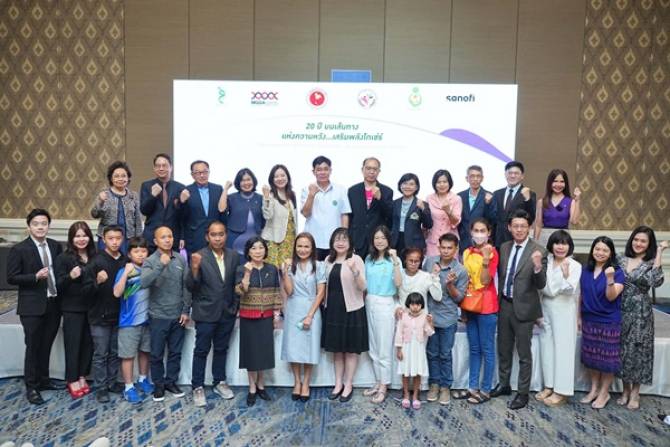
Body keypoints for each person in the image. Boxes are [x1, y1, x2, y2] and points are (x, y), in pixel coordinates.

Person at [490, 209, 547, 410]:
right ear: (509, 227)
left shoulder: (539, 250)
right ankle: (504, 384)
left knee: (524, 353)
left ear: (529, 228)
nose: (519, 229)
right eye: (516, 226)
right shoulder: (504, 247)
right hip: (504, 305)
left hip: (525, 309)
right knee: (503, 349)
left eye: (523, 226)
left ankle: (522, 393)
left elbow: (541, 284)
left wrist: (538, 266)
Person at [7, 209, 65, 405]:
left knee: (46, 344)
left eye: (44, 223)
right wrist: (35, 276)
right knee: (33, 347)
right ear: (29, 227)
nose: (40, 227)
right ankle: (31, 387)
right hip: (31, 306)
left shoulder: (55, 246)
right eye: (36, 224)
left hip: (53, 303)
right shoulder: (19, 249)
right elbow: (12, 277)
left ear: (48, 226)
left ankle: (44, 380)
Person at [187, 221, 240, 407]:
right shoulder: (199, 256)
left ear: (226, 235)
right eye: (214, 235)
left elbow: (234, 284)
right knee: (201, 350)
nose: (218, 238)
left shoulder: (234, 255)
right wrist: (194, 268)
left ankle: (219, 382)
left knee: (221, 349)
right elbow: (191, 286)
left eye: (221, 234)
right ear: (207, 236)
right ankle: (197, 386)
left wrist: (234, 307)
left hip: (227, 312)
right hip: (205, 312)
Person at [616, 227, 667, 410]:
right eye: (636, 239)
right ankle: (625, 390)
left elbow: (656, 281)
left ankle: (635, 392)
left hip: (641, 312)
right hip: (620, 309)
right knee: (622, 349)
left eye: (643, 241)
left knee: (639, 351)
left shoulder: (651, 262)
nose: (638, 243)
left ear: (649, 244)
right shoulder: (620, 258)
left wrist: (659, 252)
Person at [141, 226, 191, 402]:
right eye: (163, 237)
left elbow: (186, 286)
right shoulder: (150, 260)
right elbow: (144, 282)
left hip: (178, 315)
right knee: (156, 354)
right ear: (155, 241)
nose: (168, 240)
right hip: (158, 316)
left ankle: (171, 382)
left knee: (175, 353)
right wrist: (160, 265)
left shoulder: (180, 258)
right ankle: (159, 385)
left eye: (170, 236)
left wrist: (185, 310)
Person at [536, 230, 581, 407]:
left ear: (569, 246)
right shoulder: (546, 261)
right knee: (547, 347)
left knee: (563, 350)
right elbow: (540, 285)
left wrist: (565, 274)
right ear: (551, 245)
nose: (560, 247)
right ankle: (549, 385)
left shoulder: (574, 265)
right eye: (557, 243)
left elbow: (569, 290)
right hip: (546, 307)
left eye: (564, 243)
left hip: (564, 309)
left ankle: (561, 391)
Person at [321, 228, 367, 402]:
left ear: (350, 243)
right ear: (332, 243)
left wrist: (355, 271)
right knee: (337, 350)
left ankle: (348, 384)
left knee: (350, 350)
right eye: (337, 239)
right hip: (333, 309)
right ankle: (338, 384)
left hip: (352, 309)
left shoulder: (356, 259)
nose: (340, 243)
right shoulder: (328, 260)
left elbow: (363, 287)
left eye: (344, 239)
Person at [235, 236, 282, 407]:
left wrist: (276, 315)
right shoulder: (241, 269)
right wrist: (247, 274)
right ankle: (252, 388)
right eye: (254, 248)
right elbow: (240, 291)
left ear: (265, 250)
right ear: (248, 251)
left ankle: (261, 385)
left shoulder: (272, 268)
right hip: (248, 317)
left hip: (266, 317)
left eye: (261, 247)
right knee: (251, 354)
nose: (258, 251)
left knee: (263, 353)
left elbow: (276, 291)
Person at [579, 236, 625, 409]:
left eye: (605, 250)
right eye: (597, 249)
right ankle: (594, 389)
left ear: (611, 253)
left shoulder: (617, 272)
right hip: (589, 318)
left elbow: (611, 296)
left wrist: (610, 278)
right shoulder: (585, 270)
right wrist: (578, 317)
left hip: (608, 320)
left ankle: (604, 393)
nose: (600, 253)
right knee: (591, 357)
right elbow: (580, 295)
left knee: (607, 359)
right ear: (592, 250)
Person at [280, 232, 326, 402]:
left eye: (306, 246)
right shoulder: (290, 265)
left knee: (309, 348)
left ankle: (306, 383)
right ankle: (297, 382)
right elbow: (289, 291)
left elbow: (321, 293)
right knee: (293, 348)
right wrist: (285, 272)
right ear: (295, 248)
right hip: (293, 308)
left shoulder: (319, 266)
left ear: (312, 248)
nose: (303, 249)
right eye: (299, 246)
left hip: (312, 309)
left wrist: (310, 316)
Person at [423, 233, 468, 405]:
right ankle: (434, 384)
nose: (446, 251)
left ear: (456, 249)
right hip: (430, 317)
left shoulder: (460, 270)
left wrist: (449, 285)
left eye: (450, 248)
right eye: (443, 247)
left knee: (445, 354)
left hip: (448, 318)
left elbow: (459, 298)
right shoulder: (429, 262)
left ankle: (445, 387)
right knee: (432, 352)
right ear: (439, 247)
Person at [86, 224, 128, 403]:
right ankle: (101, 386)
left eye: (118, 238)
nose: (115, 242)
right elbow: (85, 291)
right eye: (111, 239)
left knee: (114, 352)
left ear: (122, 239)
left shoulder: (125, 260)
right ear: (104, 240)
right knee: (101, 353)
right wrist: (97, 281)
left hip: (119, 314)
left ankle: (112, 382)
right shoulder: (95, 261)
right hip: (99, 315)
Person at [54, 221, 96, 399]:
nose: (81, 239)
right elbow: (57, 285)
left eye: (84, 235)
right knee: (73, 344)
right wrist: (70, 277)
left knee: (88, 344)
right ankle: (72, 379)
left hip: (92, 307)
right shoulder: (63, 258)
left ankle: (82, 375)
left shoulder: (95, 256)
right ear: (71, 238)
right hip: (72, 308)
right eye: (77, 236)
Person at [461, 218, 499, 404]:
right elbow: (464, 280)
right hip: (470, 304)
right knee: (474, 348)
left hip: (487, 306)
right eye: (476, 230)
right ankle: (472, 386)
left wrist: (485, 259)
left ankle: (485, 389)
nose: (479, 234)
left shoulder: (493, 253)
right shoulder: (466, 252)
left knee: (487, 349)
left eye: (482, 230)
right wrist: (463, 308)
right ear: (471, 232)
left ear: (489, 232)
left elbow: (485, 281)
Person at [112, 237, 154, 403]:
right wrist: (125, 273)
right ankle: (128, 387)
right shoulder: (124, 271)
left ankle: (143, 379)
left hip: (147, 320)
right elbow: (117, 293)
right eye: (136, 251)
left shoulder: (149, 270)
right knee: (128, 355)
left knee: (145, 351)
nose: (141, 254)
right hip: (129, 322)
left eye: (143, 251)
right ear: (129, 254)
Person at [363, 226, 402, 404]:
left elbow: (398, 283)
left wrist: (395, 261)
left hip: (386, 303)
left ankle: (384, 386)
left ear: (388, 240)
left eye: (383, 238)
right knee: (373, 347)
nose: (379, 241)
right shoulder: (369, 259)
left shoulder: (394, 259)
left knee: (384, 348)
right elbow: (364, 283)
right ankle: (378, 381)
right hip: (369, 301)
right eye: (376, 238)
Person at [301, 156, 351, 260]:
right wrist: (311, 195)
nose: (322, 172)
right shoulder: (306, 190)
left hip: (335, 242)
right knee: (313, 269)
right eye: (319, 169)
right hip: (313, 241)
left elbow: (344, 214)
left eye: (325, 169)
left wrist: (345, 237)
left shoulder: (340, 190)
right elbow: (305, 214)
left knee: (335, 269)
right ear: (313, 172)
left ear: (330, 170)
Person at [91, 161, 143, 255]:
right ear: (111, 178)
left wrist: (139, 240)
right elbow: (95, 214)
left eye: (123, 176)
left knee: (126, 263)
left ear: (128, 178)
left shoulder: (134, 196)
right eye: (116, 176)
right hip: (108, 239)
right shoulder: (104, 194)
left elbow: (138, 220)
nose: (120, 179)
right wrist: (101, 201)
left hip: (128, 239)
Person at [347, 157, 393, 259]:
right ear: (362, 170)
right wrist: (349, 238)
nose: (371, 172)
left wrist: (380, 199)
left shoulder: (387, 191)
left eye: (375, 169)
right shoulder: (353, 191)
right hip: (357, 240)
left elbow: (390, 216)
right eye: (368, 168)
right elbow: (350, 217)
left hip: (377, 241)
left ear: (379, 171)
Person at [395, 293, 435, 410]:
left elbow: (430, 333)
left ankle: (416, 396)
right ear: (408, 305)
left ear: (421, 305)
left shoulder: (424, 317)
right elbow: (399, 334)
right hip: (406, 347)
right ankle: (406, 394)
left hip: (418, 348)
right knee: (405, 372)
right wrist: (399, 349)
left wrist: (430, 322)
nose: (415, 307)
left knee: (418, 372)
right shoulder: (403, 316)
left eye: (418, 304)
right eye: (412, 304)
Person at [140, 153, 185, 251]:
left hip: (172, 237)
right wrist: (153, 196)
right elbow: (144, 210)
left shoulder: (180, 187)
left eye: (164, 165)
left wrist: (182, 236)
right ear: (154, 168)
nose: (161, 168)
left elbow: (183, 216)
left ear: (171, 167)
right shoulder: (146, 185)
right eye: (158, 166)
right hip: (151, 237)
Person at [178, 160, 224, 255]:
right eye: (198, 173)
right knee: (196, 263)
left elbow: (223, 214)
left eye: (205, 172)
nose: (202, 175)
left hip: (216, 235)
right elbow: (181, 217)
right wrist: (182, 202)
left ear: (209, 172)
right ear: (192, 175)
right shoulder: (186, 191)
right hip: (194, 237)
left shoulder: (218, 189)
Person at [491, 161, 536, 248]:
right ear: (505, 175)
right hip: (498, 241)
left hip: (517, 239)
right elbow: (493, 219)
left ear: (522, 176)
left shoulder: (529, 194)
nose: (512, 176)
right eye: (510, 173)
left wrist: (528, 200)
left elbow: (531, 217)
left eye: (516, 173)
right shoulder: (497, 194)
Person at [221, 168, 264, 256]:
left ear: (253, 181)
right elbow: (221, 209)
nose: (246, 183)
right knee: (234, 262)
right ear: (238, 183)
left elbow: (266, 218)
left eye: (248, 179)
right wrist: (225, 189)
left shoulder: (261, 198)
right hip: (234, 238)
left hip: (256, 240)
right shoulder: (232, 197)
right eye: (243, 180)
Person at [261, 164, 297, 267]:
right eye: (276, 176)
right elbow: (267, 216)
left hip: (290, 240)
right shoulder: (270, 195)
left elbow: (293, 219)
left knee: (287, 270)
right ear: (272, 180)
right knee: (273, 270)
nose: (280, 179)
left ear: (287, 177)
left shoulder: (292, 194)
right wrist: (266, 197)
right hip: (273, 240)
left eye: (283, 175)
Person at [533, 169, 582, 245]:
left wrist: (578, 201)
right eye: (555, 181)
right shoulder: (542, 202)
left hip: (563, 239)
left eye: (562, 182)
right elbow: (538, 225)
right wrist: (535, 243)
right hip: (545, 239)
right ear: (550, 182)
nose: (558, 184)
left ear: (565, 183)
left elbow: (574, 221)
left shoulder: (570, 201)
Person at [390, 173, 432, 255]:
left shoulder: (422, 204)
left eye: (411, 184)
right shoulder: (394, 203)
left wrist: (423, 209)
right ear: (400, 185)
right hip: (396, 241)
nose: (408, 187)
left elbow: (429, 225)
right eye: (405, 183)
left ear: (416, 187)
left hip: (414, 243)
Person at [457, 165, 495, 254]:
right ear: (467, 178)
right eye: (472, 176)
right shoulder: (459, 196)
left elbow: (492, 220)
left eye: (478, 176)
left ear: (482, 178)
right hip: (463, 241)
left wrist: (487, 204)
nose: (475, 179)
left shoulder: (489, 196)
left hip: (482, 243)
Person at [425, 169, 462, 257]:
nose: (442, 185)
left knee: (450, 265)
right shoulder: (429, 198)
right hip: (433, 241)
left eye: (445, 182)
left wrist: (448, 211)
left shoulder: (456, 198)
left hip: (450, 242)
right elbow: (427, 220)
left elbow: (455, 222)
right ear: (434, 184)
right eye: (438, 182)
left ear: (449, 183)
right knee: (432, 264)